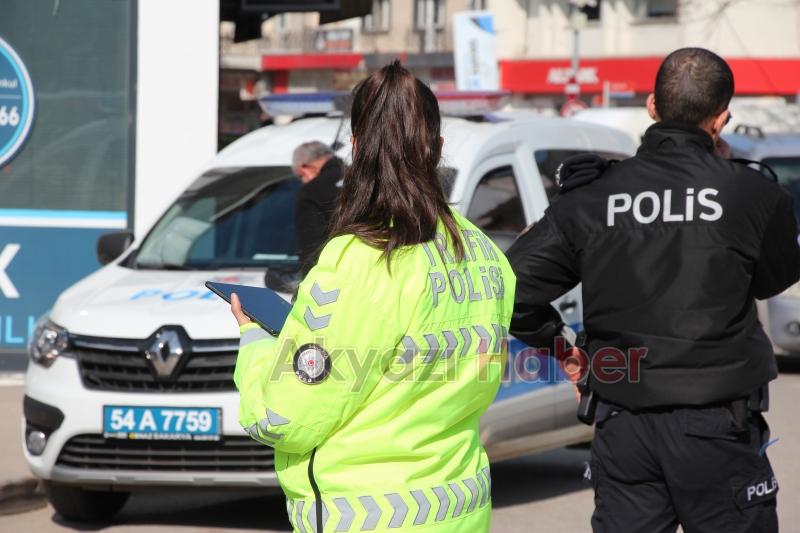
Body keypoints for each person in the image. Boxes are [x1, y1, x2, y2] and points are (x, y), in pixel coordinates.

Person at [507, 47, 799, 533]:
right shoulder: (752, 193)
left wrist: (566, 349)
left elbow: (510, 288)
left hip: (624, 427)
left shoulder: (592, 197)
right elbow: (773, 279)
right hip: (718, 428)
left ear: (651, 107)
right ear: (722, 119)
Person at [230, 62, 516, 533]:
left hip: (369, 513)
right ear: (439, 148)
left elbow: (284, 416)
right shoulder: (484, 253)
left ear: (357, 149)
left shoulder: (359, 259)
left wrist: (255, 345)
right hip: (461, 509)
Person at [292, 141, 344, 276]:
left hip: (332, 276)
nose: (303, 181)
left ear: (304, 168)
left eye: (300, 176)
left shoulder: (311, 191)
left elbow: (311, 247)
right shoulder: (364, 178)